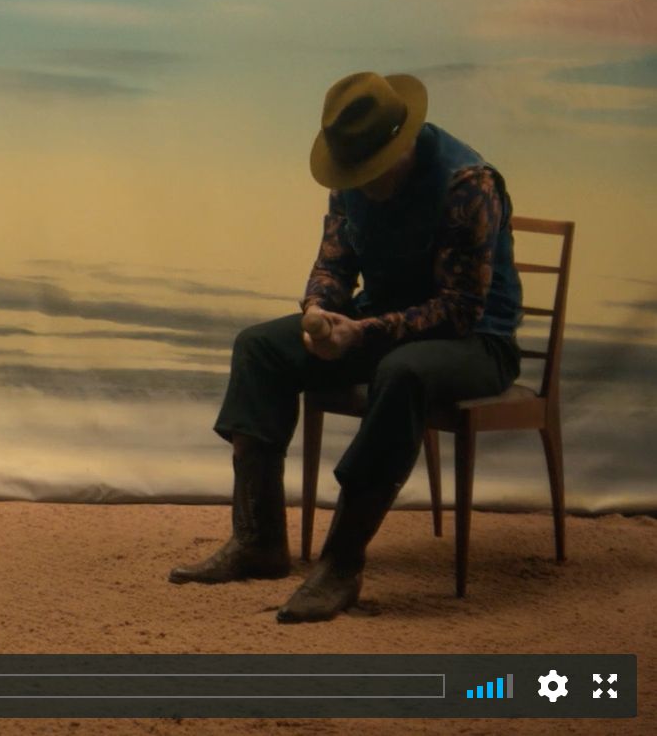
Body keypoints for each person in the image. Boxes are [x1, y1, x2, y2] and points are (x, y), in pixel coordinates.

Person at [168, 71, 523, 621]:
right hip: (378, 326)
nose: (363, 183)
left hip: (474, 342)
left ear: (402, 144)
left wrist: (364, 333)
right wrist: (318, 312)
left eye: (371, 172)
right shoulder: (349, 174)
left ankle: (341, 564)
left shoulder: (467, 185)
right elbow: (334, 264)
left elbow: (459, 309)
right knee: (259, 348)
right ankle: (258, 541)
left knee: (402, 374)